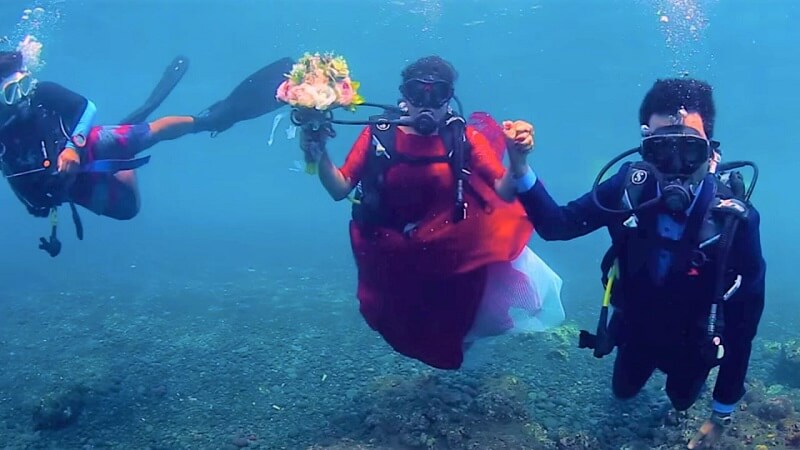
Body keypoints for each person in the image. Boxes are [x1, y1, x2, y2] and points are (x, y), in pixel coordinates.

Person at [508, 78, 766, 448]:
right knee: (623, 392)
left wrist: (722, 409)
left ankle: (678, 395)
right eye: (662, 151)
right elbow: (557, 225)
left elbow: (745, 322)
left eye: (689, 151)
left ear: (711, 151)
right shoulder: (629, 187)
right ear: (645, 147)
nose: (676, 166)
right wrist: (519, 167)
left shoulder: (735, 220)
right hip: (635, 327)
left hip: (693, 341)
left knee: (680, 401)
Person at [299, 55, 565, 370]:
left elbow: (504, 190)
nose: (427, 104)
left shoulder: (461, 136)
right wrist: (317, 153)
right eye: (417, 93)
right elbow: (340, 188)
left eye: (437, 94)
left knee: (454, 315)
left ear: (449, 98)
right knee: (388, 313)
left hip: (447, 248)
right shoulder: (380, 133)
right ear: (403, 95)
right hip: (386, 248)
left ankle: (463, 347)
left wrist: (517, 158)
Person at [0, 50, 293, 256]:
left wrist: (72, 148)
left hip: (82, 146)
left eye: (24, 84)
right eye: (13, 91)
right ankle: (124, 155)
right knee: (129, 210)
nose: (23, 95)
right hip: (63, 183)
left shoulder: (41, 91)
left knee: (151, 134)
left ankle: (209, 120)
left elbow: (85, 107)